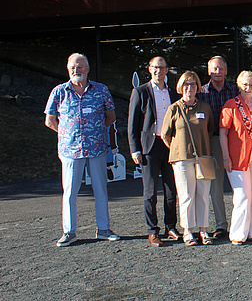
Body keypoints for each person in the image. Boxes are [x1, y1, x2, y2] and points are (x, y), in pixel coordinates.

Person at [45, 53, 120, 247]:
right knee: (70, 192)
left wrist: (95, 131)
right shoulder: (59, 92)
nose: (76, 70)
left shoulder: (101, 90)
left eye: (79, 67)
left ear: (87, 69)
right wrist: (66, 133)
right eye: (72, 67)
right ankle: (69, 232)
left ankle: (103, 229)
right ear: (68, 69)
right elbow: (50, 120)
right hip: (70, 151)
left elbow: (111, 116)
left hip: (97, 148)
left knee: (101, 190)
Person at [128, 56, 179, 246]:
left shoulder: (173, 92)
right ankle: (152, 230)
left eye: (162, 67)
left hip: (170, 145)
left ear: (167, 70)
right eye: (155, 67)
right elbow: (132, 124)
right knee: (150, 192)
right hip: (149, 147)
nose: (159, 71)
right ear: (150, 69)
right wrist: (135, 149)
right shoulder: (140, 91)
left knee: (171, 191)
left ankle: (171, 227)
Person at [162, 71, 215, 246]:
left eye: (193, 84)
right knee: (186, 196)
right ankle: (188, 230)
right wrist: (178, 148)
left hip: (203, 157)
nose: (190, 87)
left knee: (203, 195)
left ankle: (203, 230)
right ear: (181, 86)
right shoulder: (174, 108)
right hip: (182, 159)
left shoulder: (205, 108)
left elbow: (210, 130)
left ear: (198, 87)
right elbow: (165, 135)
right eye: (186, 84)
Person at [219, 70, 252, 246]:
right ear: (239, 85)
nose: (248, 87)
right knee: (242, 196)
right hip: (237, 157)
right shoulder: (231, 104)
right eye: (245, 84)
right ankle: (238, 232)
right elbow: (223, 133)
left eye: (251, 84)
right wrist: (225, 156)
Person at [197, 56, 239, 239]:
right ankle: (221, 225)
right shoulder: (201, 93)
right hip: (213, 141)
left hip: (235, 141)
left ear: (226, 70)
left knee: (239, 186)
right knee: (216, 188)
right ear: (209, 71)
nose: (218, 72)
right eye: (214, 68)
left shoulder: (236, 90)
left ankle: (239, 224)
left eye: (221, 68)